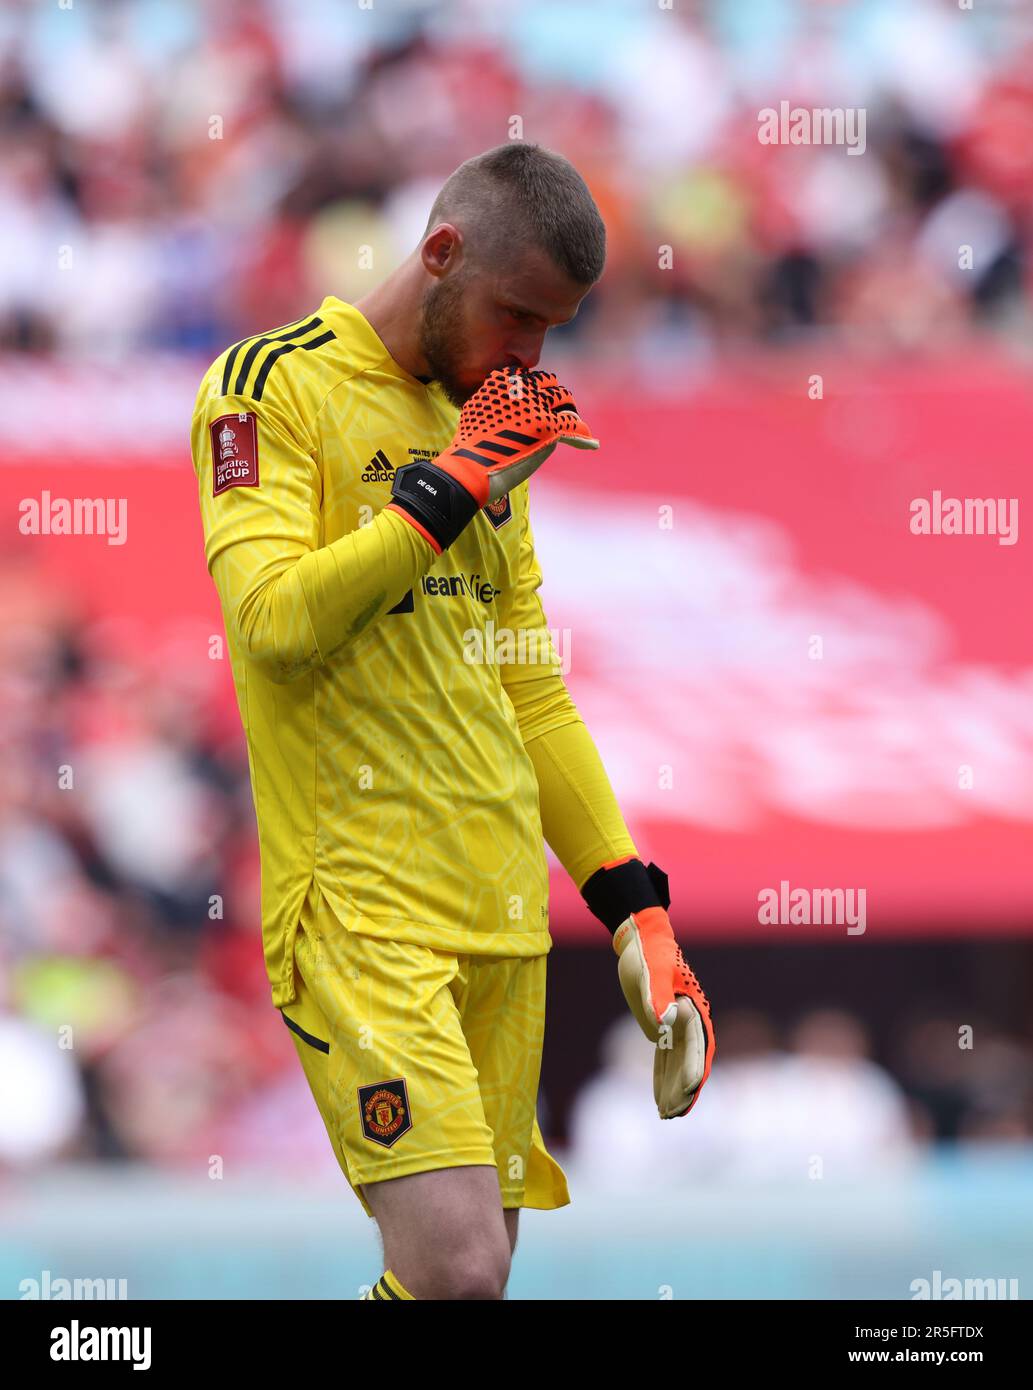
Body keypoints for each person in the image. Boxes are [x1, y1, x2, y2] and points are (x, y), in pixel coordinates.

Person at [189, 141, 714, 1301]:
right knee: (458, 1269)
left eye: (554, 331)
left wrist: (633, 904)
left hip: (500, 920)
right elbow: (272, 621)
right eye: (516, 314)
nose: (528, 357)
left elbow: (524, 679)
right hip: (361, 914)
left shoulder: (486, 424)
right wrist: (452, 484)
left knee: (467, 1291)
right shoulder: (269, 386)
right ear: (439, 253)